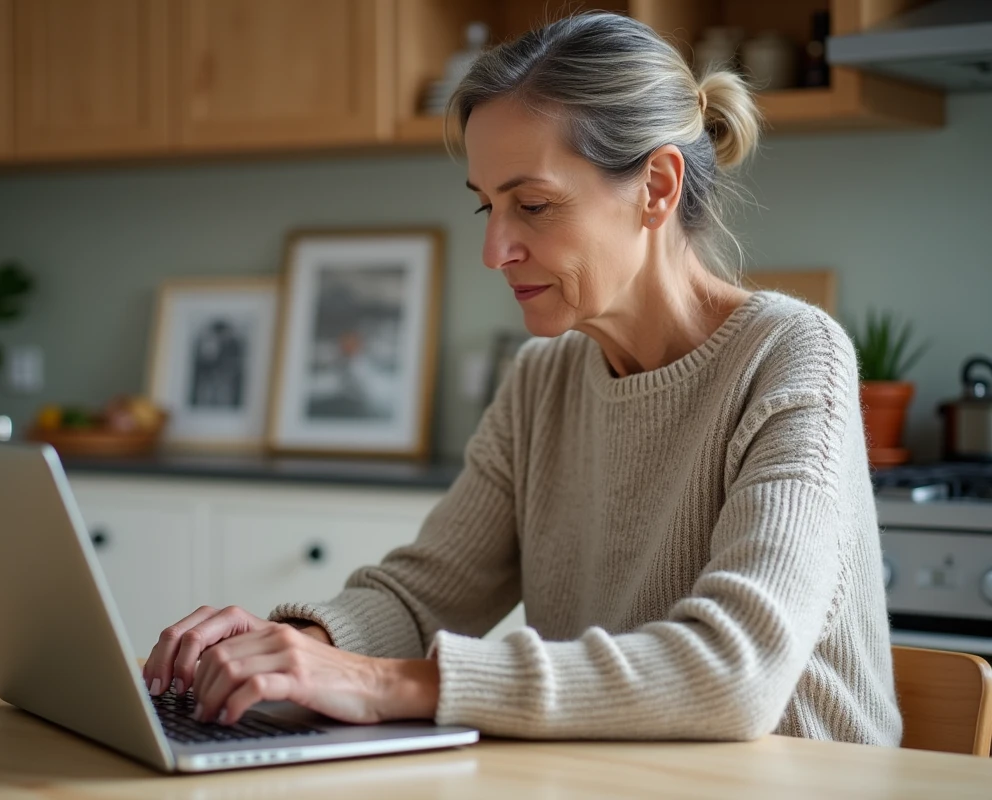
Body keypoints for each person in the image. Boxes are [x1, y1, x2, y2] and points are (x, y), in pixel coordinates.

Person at [143, 12, 902, 745]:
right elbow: (425, 594)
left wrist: (381, 684)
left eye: (532, 205)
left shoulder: (792, 356)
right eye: (487, 207)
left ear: (658, 187)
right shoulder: (543, 380)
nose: (495, 249)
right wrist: (296, 648)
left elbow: (737, 671)